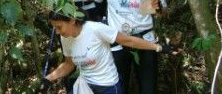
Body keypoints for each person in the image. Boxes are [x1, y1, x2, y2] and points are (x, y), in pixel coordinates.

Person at [74, 0, 169, 94]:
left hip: (144, 40)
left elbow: (164, 13)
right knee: (118, 88)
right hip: (116, 41)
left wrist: (159, 8)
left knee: (148, 88)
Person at [42, 10, 175, 94]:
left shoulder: (95, 29)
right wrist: (48, 79)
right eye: (54, 28)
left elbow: (128, 40)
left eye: (59, 27)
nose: (57, 32)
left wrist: (159, 47)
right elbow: (69, 64)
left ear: (72, 20)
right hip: (86, 86)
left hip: (108, 87)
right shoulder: (66, 38)